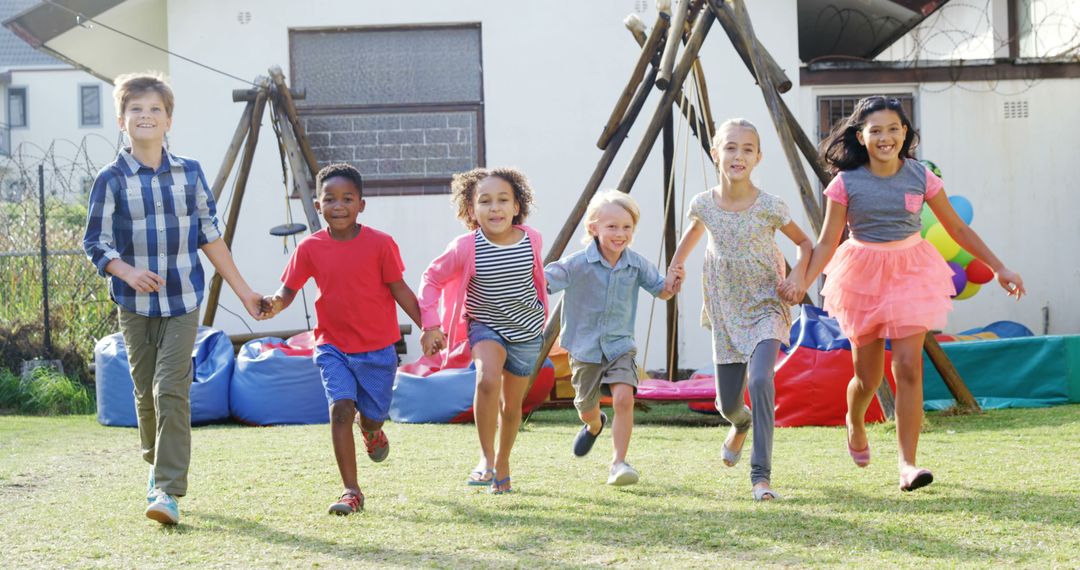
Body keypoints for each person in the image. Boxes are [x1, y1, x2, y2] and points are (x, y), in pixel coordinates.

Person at [788, 96, 1025, 492]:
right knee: (867, 377)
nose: (886, 137)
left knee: (909, 366)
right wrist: (803, 283)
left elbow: (958, 230)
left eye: (893, 129)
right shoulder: (845, 183)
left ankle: (908, 465)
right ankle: (856, 420)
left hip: (911, 271)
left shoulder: (920, 176)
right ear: (861, 137)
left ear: (905, 134)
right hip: (862, 274)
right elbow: (828, 242)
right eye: (876, 130)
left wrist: (1000, 266)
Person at [83, 72, 266, 525]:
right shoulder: (110, 179)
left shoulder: (190, 173)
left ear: (169, 120)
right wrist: (126, 271)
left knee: (171, 390)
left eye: (155, 110)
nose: (145, 116)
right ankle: (155, 464)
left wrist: (244, 293)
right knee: (145, 396)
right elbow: (96, 242)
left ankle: (167, 490)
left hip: (184, 301)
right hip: (134, 306)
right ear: (121, 121)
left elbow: (210, 236)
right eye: (136, 110)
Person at [263, 163, 422, 515]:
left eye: (347, 198)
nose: (338, 206)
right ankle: (351, 490)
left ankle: (372, 432)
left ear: (361, 204)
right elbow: (287, 291)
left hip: (378, 349)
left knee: (371, 417)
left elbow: (401, 290)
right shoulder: (309, 248)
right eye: (330, 199)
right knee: (340, 410)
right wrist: (274, 304)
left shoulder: (381, 244)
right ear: (318, 206)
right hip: (332, 346)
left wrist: (430, 325)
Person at [667, 118, 813, 501]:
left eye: (748, 149)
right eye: (730, 147)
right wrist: (676, 266)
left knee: (762, 380)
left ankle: (760, 476)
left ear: (758, 157)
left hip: (767, 304)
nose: (738, 155)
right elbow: (695, 232)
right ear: (716, 153)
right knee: (726, 403)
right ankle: (740, 423)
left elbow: (805, 245)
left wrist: (797, 279)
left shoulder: (769, 206)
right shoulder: (703, 203)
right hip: (725, 307)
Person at [418, 167, 547, 495]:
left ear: (517, 206)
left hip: (528, 331)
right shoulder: (465, 247)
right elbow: (431, 278)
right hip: (485, 326)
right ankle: (486, 459)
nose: (495, 208)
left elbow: (537, 280)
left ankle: (503, 462)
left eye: (503, 200)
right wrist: (431, 324)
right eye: (485, 201)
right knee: (487, 379)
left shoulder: (532, 239)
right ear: (471, 210)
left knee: (511, 405)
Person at [545, 190, 682, 486]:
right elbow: (546, 280)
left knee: (623, 398)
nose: (620, 234)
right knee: (586, 409)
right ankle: (594, 426)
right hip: (584, 349)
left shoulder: (637, 264)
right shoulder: (577, 263)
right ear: (593, 228)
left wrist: (672, 284)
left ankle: (618, 463)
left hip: (620, 346)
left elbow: (661, 291)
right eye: (612, 227)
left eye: (627, 227)